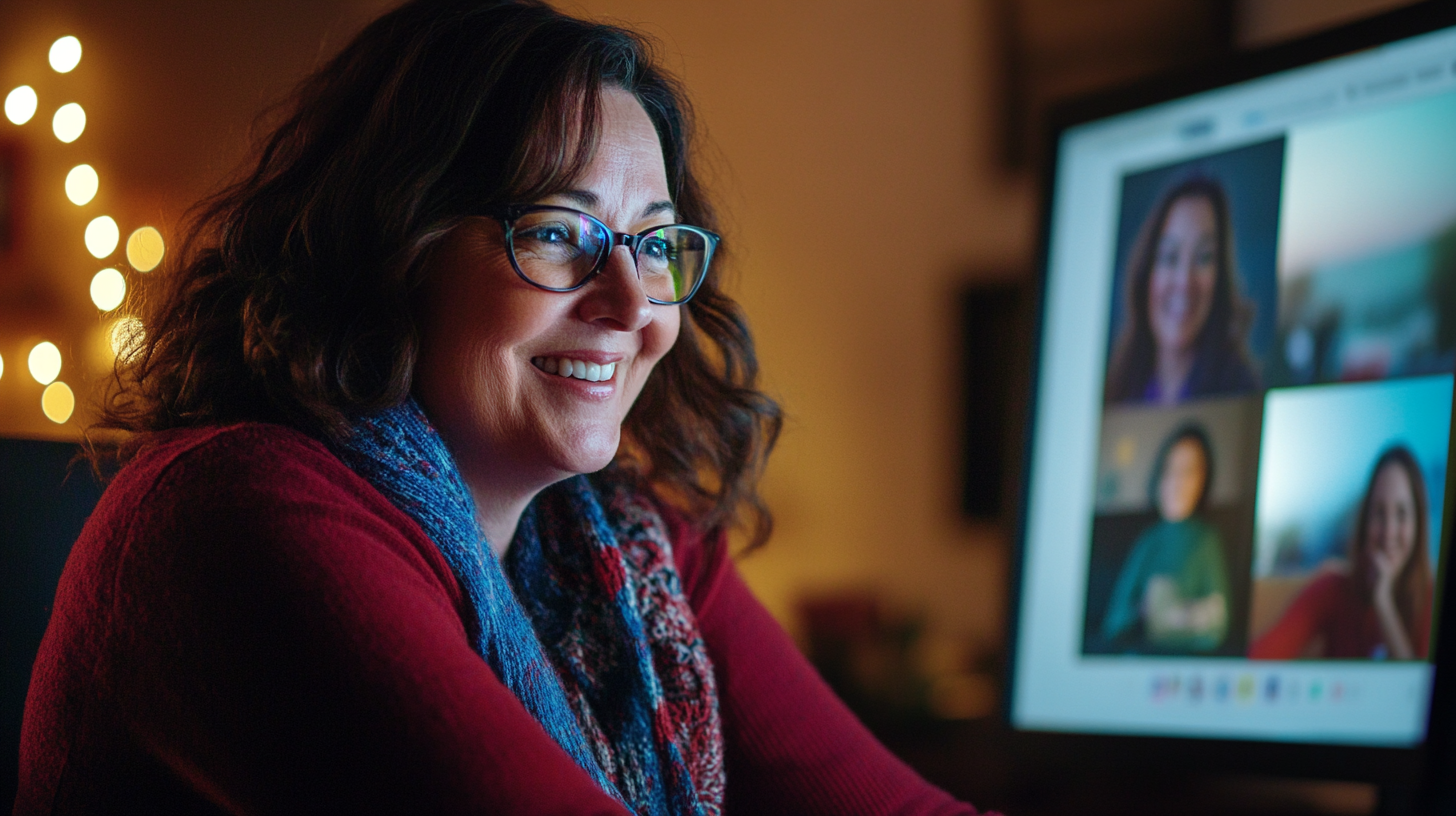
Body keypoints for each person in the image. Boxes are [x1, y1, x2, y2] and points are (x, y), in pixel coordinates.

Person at [14, 2, 986, 814]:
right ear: (394, 244)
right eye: (559, 232)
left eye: (654, 245)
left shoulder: (633, 552)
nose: (630, 304)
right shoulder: (239, 510)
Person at [1251, 446, 1434, 661]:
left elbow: (1420, 689)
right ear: (1365, 520)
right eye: (1379, 512)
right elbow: (1264, 652)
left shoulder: (1432, 599)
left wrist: (1383, 602)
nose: (1389, 532)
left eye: (1402, 514)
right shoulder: (1333, 588)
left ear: (1418, 524)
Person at [1104, 176, 1261, 405]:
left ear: (1221, 278)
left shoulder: (1243, 394)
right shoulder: (1118, 387)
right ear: (1147, 272)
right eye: (1170, 257)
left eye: (1203, 257)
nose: (1184, 281)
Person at [1100, 425, 1230, 654]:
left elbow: (1218, 626)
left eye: (1188, 471)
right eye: (1171, 470)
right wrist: (1143, 611)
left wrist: (1184, 615)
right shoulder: (1149, 541)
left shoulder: (1206, 539)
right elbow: (1113, 622)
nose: (1178, 482)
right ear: (1159, 476)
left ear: (1203, 478)